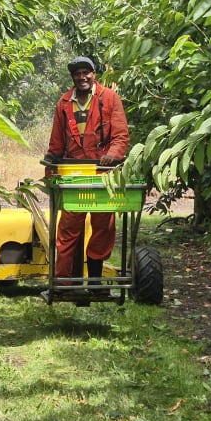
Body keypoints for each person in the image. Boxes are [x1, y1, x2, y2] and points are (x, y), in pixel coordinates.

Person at [44, 56, 130, 281]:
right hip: (73, 175)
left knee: (103, 228)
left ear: (94, 74)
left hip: (102, 175)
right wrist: (50, 173)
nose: (82, 77)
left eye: (86, 72)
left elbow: (121, 135)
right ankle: (63, 282)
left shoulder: (110, 99)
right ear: (72, 77)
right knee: (68, 230)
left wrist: (112, 155)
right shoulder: (64, 103)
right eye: (77, 73)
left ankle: (94, 281)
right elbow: (56, 143)